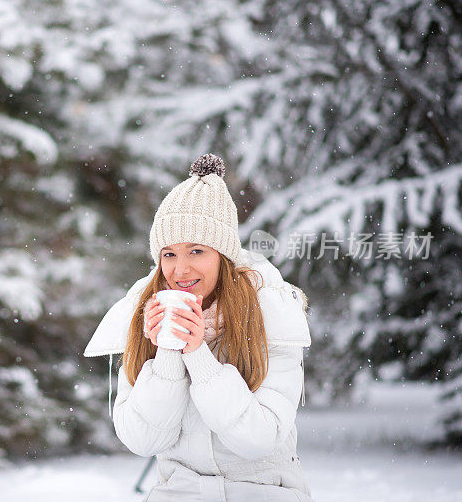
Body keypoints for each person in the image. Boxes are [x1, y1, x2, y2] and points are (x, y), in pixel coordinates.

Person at [86, 154, 315, 501]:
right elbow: (143, 440)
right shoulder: (145, 317)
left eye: (196, 251)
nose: (179, 270)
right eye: (169, 254)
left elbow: (258, 439)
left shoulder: (271, 316)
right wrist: (167, 349)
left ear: (223, 256)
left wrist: (199, 357)